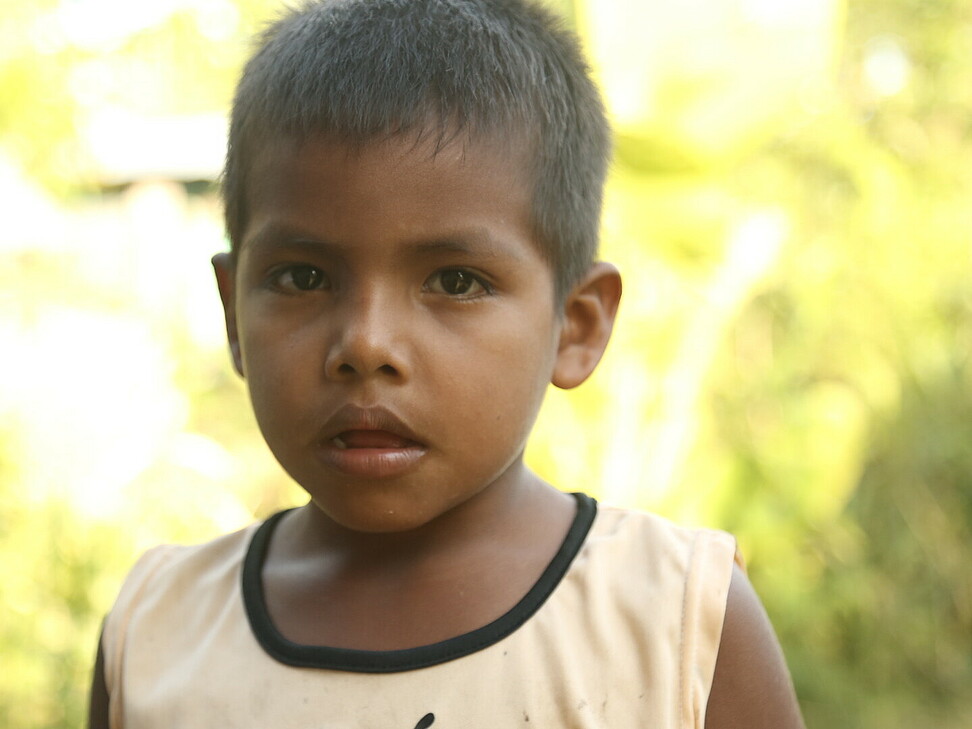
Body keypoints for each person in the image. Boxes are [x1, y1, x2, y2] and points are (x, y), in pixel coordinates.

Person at [88, 1, 805, 727]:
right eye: (304, 278)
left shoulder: (677, 625)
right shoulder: (155, 635)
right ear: (233, 311)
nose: (366, 345)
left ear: (576, 326)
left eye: (456, 281)